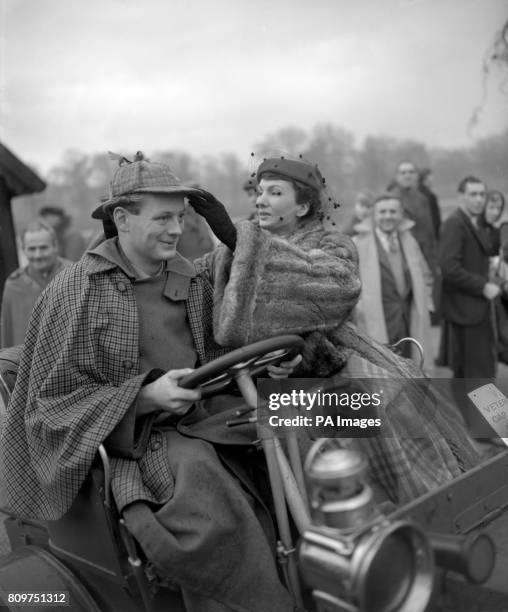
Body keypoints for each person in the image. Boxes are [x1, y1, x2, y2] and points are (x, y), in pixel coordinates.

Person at [1, 154, 302, 612]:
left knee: (319, 422)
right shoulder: (74, 290)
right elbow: (49, 407)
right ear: (121, 219)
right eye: (163, 217)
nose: (177, 229)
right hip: (140, 443)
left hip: (210, 417)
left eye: (181, 216)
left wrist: (267, 368)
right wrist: (141, 399)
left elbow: (220, 356)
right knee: (206, 492)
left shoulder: (191, 276)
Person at [190, 156, 479, 507]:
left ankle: (416, 511)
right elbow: (192, 283)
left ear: (303, 206)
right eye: (260, 191)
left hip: (332, 365)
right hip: (254, 377)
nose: (260, 200)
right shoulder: (227, 252)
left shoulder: (333, 245)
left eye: (275, 192)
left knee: (375, 404)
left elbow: (337, 287)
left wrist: (241, 242)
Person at [439, 176, 499, 424]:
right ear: (460, 196)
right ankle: (496, 428)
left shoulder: (471, 222)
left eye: (481, 195)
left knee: (465, 371)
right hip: (468, 309)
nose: (478, 199)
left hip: (468, 310)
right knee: (480, 371)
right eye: (473, 194)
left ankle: (473, 424)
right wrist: (482, 286)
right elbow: (448, 267)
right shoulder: (455, 223)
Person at [352, 194, 433, 366]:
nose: (388, 216)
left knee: (411, 369)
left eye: (392, 211)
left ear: (401, 214)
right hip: (376, 320)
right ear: (374, 215)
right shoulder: (358, 244)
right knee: (382, 372)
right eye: (382, 212)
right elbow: (349, 284)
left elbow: (425, 275)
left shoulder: (410, 241)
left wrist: (427, 301)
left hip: (408, 320)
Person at [0, 221, 71, 348]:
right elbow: (7, 337)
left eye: (43, 248)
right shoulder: (14, 285)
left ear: (55, 246)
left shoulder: (74, 276)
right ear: (23, 250)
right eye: (31, 249)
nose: (38, 255)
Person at [389, 161, 437, 279]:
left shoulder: (423, 199)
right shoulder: (389, 200)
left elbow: (430, 232)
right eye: (403, 172)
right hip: (399, 257)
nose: (407, 175)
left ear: (416, 176)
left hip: (423, 256)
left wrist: (434, 262)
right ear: (397, 176)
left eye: (411, 172)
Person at [479, 189, 506, 256]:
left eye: (499, 208)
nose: (495, 213)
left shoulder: (497, 232)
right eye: (491, 207)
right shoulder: (471, 229)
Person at [418, 168, 441, 240]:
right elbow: (435, 218)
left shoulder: (416, 193)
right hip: (430, 233)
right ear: (425, 179)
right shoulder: (429, 196)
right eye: (430, 178)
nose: (432, 180)